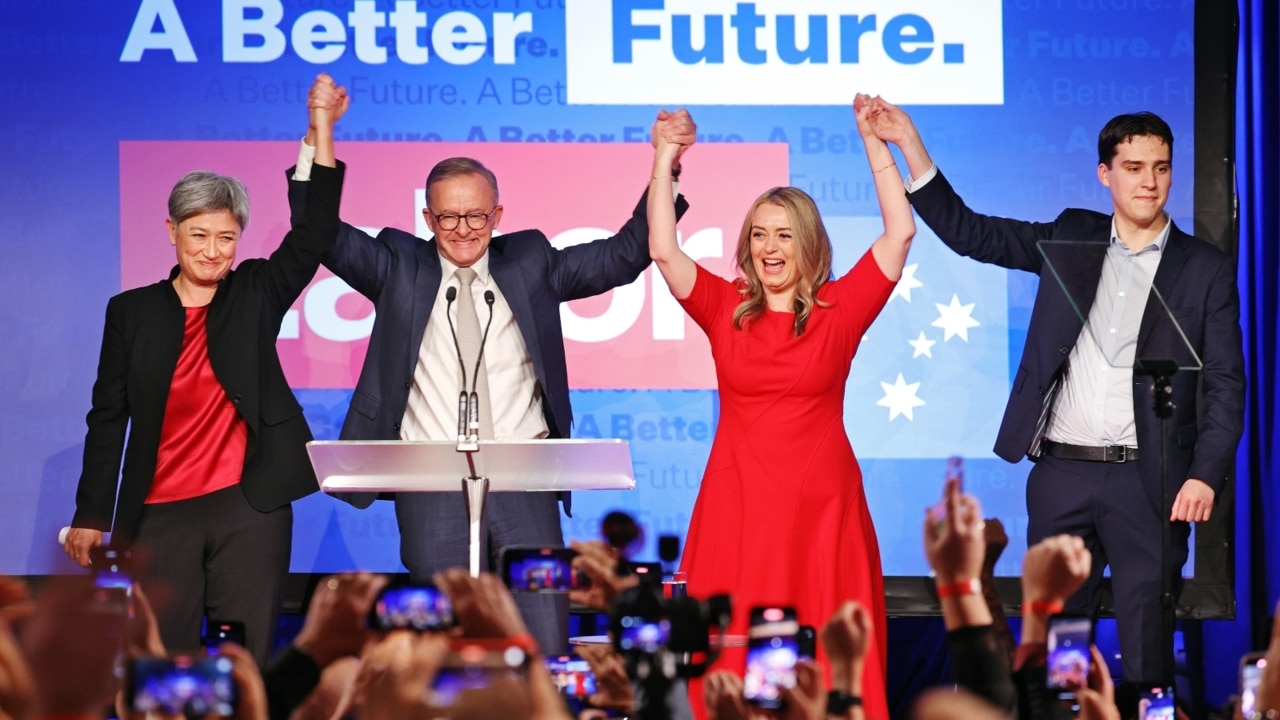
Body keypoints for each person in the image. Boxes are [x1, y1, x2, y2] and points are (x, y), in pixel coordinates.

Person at [287, 102, 696, 655]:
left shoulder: (529, 262)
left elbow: (624, 256)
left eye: (476, 217)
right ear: (428, 220)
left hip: (525, 481)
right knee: (441, 651)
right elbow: (320, 232)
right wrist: (320, 134)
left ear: (497, 215)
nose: (463, 231)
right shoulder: (397, 265)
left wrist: (666, 162)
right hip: (430, 485)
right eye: (448, 219)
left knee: (544, 639)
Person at [867, 100, 1246, 687]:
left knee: (1148, 649)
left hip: (1150, 479)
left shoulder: (1205, 268)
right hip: (1062, 474)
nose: (1150, 181)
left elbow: (1225, 383)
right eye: (1134, 166)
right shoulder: (1071, 237)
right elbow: (973, 233)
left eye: (1162, 167)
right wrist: (910, 143)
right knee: (1059, 651)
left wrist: (1204, 473)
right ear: (1105, 173)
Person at [62, 74, 348, 663]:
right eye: (199, 235)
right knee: (161, 662)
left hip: (250, 505)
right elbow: (108, 417)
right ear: (171, 233)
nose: (213, 250)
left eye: (226, 237)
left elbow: (313, 232)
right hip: (159, 511)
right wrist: (91, 514)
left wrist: (320, 131)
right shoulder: (131, 311)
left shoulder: (256, 292)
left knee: (241, 662)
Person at [646, 93, 915, 720]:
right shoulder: (723, 309)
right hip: (736, 507)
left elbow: (900, 231)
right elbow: (663, 248)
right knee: (728, 651)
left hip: (822, 510)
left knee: (819, 651)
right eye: (759, 235)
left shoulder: (839, 313)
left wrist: (873, 143)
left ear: (808, 245)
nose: (770, 248)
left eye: (784, 235)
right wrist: (665, 157)